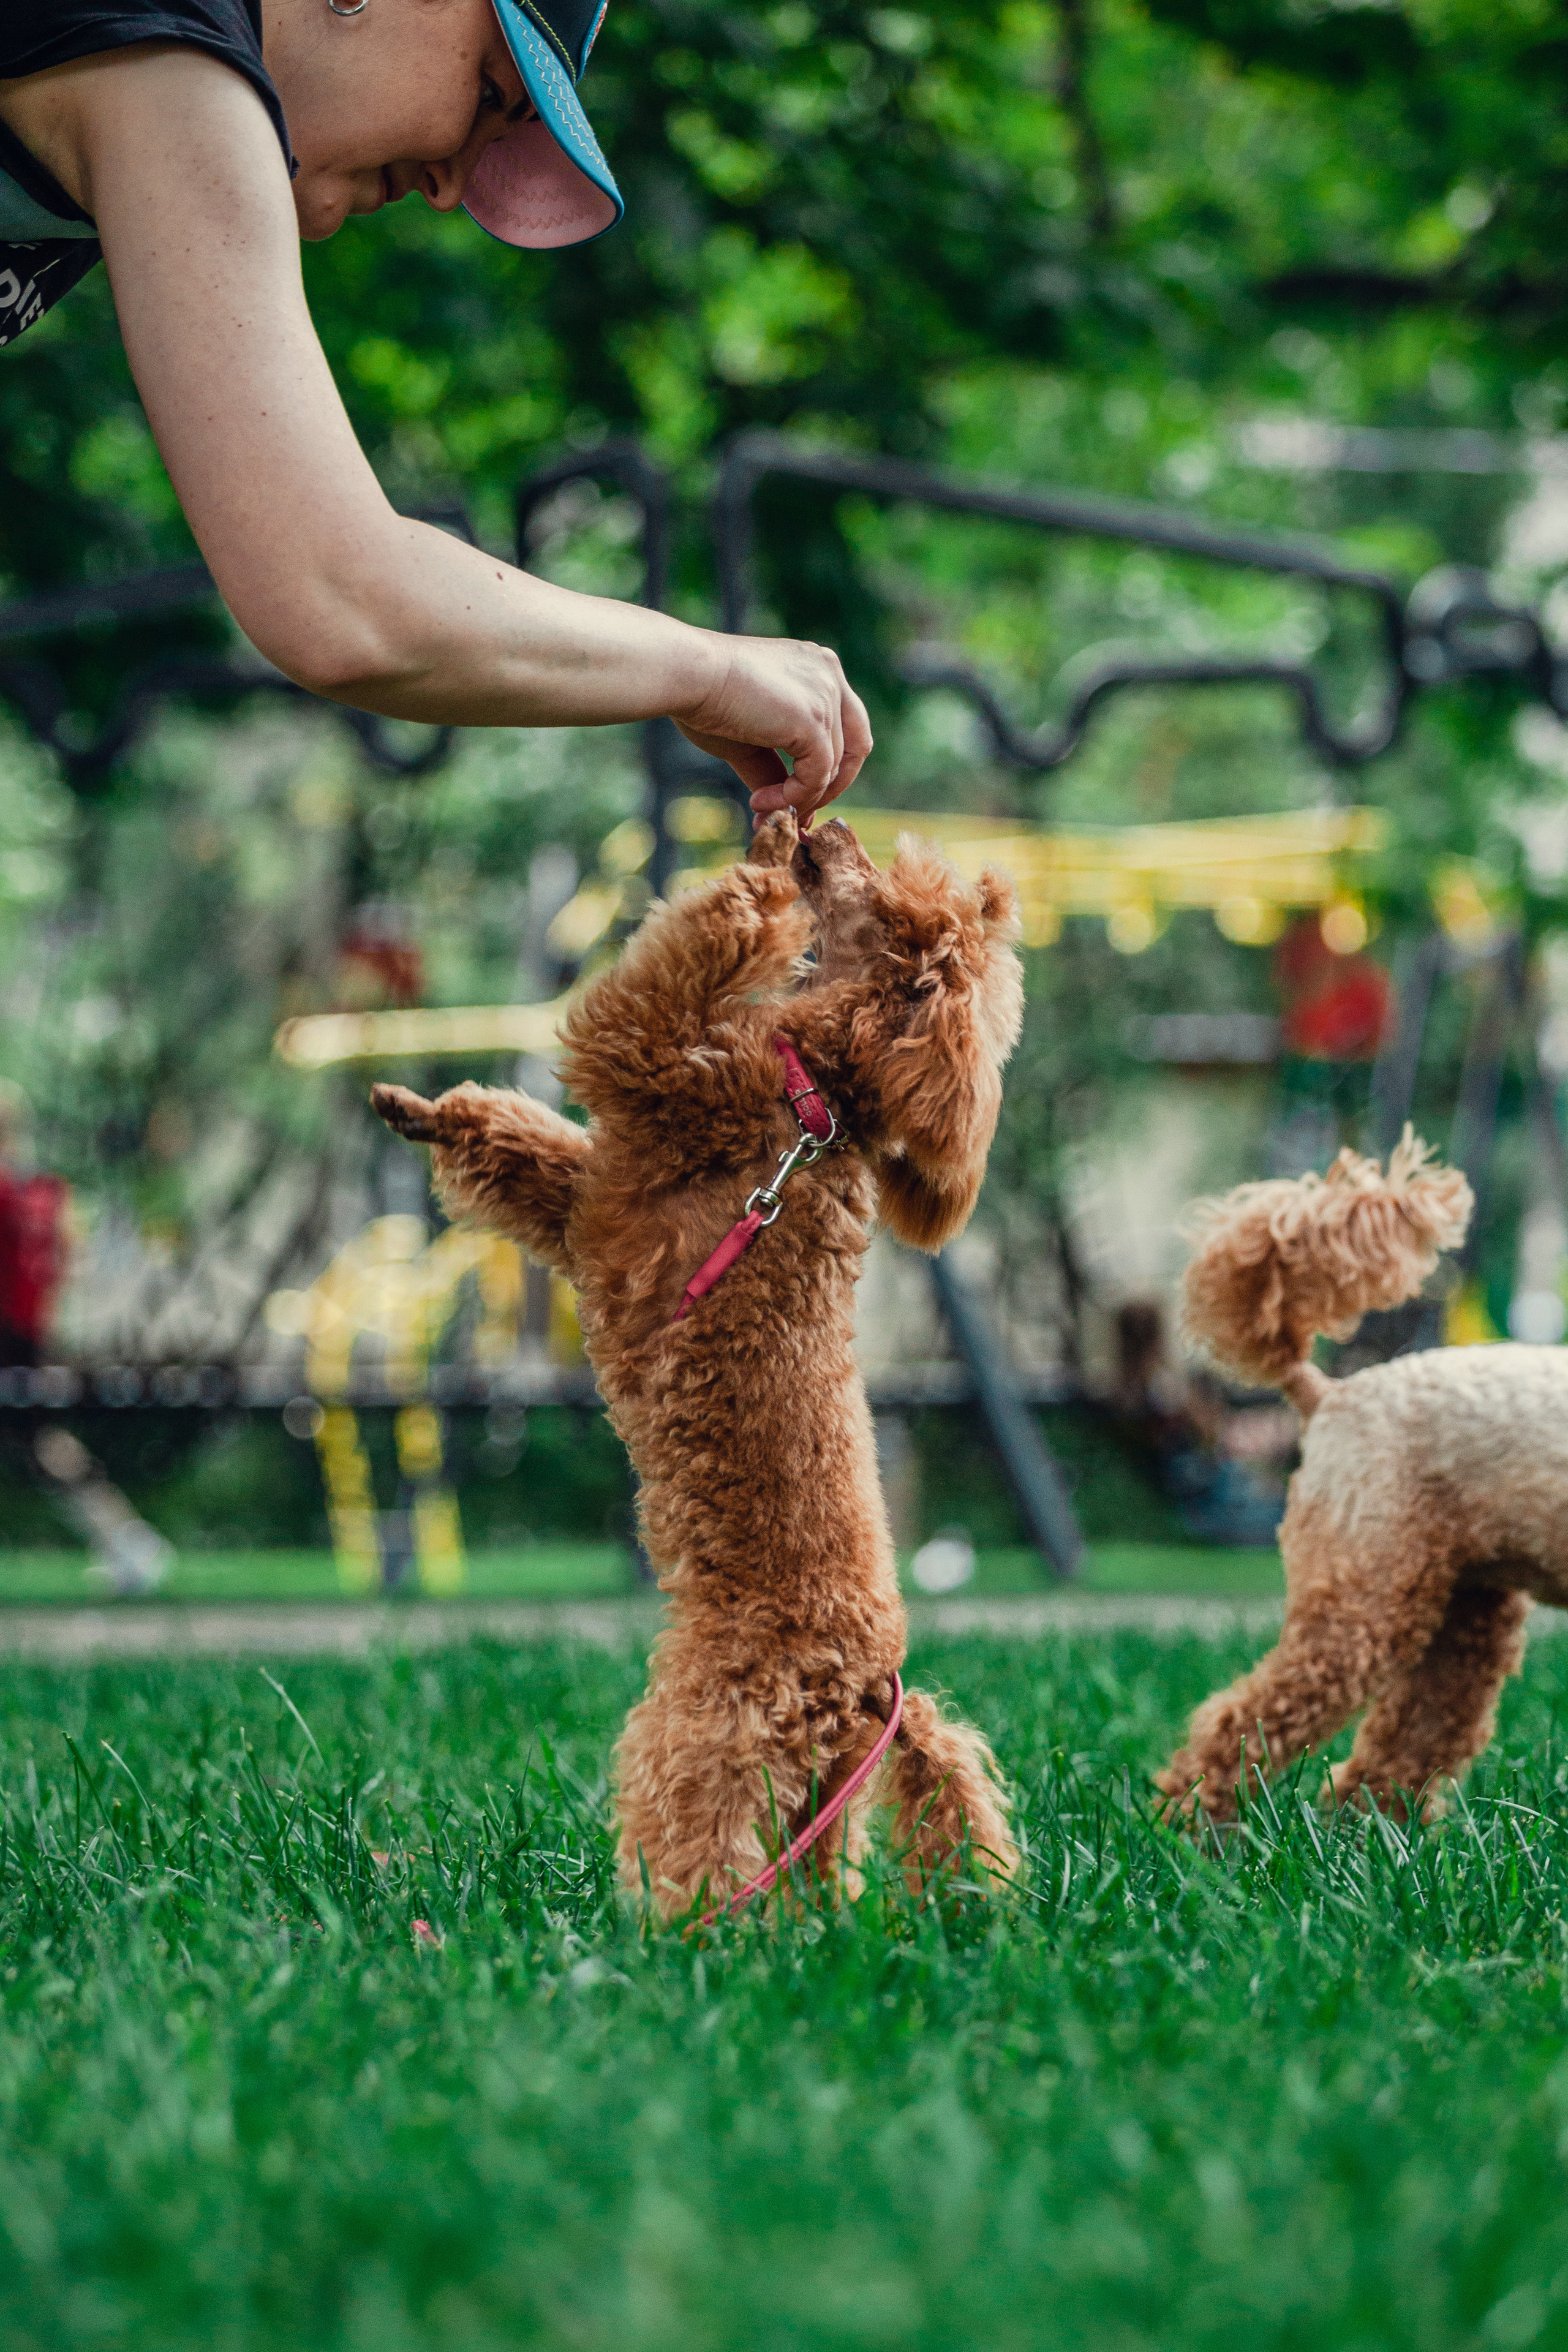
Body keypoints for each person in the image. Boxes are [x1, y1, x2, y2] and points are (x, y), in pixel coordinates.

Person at [0, 0, 871, 823]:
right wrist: (710, 669)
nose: (452, 185)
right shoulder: (174, 63)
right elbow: (341, 600)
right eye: (490, 95)